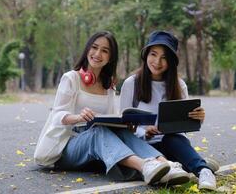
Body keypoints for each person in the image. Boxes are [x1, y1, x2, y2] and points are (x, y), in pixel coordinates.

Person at [34, 31, 173, 185]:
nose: (97, 54)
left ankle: (166, 165)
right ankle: (144, 166)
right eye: (94, 47)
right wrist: (79, 117)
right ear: (88, 49)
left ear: (110, 58)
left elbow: (112, 121)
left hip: (95, 148)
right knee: (97, 132)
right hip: (65, 148)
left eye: (105, 51)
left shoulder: (109, 87)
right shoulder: (71, 78)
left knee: (120, 130)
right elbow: (57, 115)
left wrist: (126, 125)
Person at [120, 30, 217, 190]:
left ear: (171, 61)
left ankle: (204, 171)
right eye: (153, 54)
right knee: (157, 161)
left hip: (171, 143)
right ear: (146, 55)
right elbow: (123, 124)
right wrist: (144, 132)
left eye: (164, 57)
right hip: (142, 146)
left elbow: (183, 126)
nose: (157, 61)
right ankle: (188, 164)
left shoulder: (179, 85)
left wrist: (198, 117)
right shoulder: (132, 83)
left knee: (174, 139)